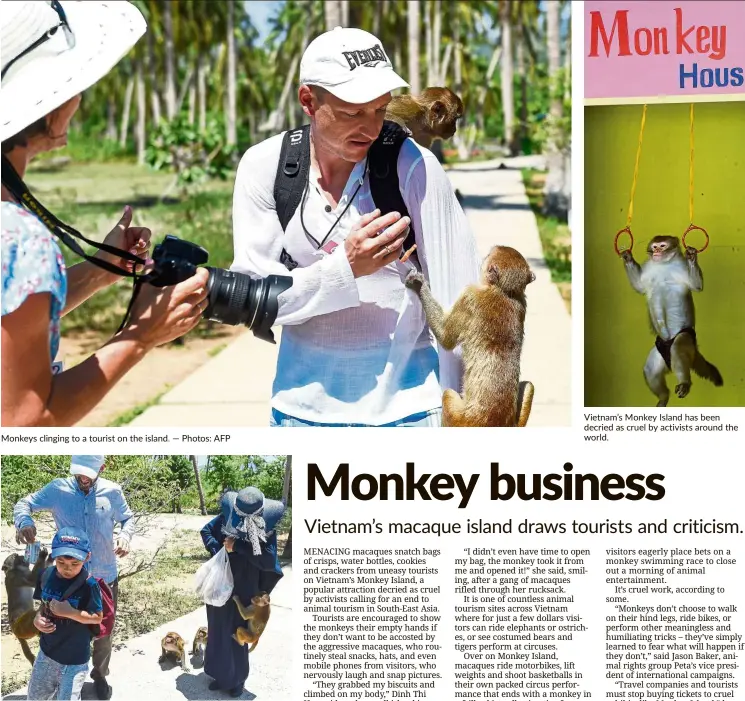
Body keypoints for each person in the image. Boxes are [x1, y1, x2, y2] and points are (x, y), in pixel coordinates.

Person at [231, 27, 481, 427]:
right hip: (301, 412)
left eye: (380, 110)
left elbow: (462, 296)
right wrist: (345, 269)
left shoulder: (412, 165)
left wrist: (473, 414)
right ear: (309, 101)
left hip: (411, 408)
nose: (370, 128)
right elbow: (255, 301)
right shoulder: (264, 167)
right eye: (352, 113)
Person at [1, 1, 210, 427]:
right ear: (51, 103)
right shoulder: (19, 235)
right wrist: (140, 336)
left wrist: (99, 271)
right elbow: (25, 421)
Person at [14, 455, 133, 700]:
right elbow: (24, 503)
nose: (83, 478)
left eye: (89, 473)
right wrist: (24, 521)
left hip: (103, 576)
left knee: (102, 632)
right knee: (60, 625)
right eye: (79, 472)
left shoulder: (113, 491)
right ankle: (57, 675)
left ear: (102, 467)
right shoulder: (58, 489)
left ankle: (99, 676)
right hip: (66, 577)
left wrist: (125, 536)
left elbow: (127, 518)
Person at [200, 487, 285, 698]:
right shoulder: (227, 516)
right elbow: (206, 532)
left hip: (246, 589)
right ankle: (219, 675)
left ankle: (237, 680)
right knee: (218, 630)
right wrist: (218, 550)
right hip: (220, 584)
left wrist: (238, 546)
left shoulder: (266, 527)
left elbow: (267, 560)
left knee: (236, 634)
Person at [29, 527, 103, 701]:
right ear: (54, 556)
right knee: (35, 697)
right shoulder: (46, 575)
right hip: (46, 655)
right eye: (61, 562)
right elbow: (43, 604)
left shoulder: (89, 585)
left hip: (75, 660)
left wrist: (70, 612)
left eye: (74, 564)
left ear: (87, 557)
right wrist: (36, 619)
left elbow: (97, 617)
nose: (67, 569)